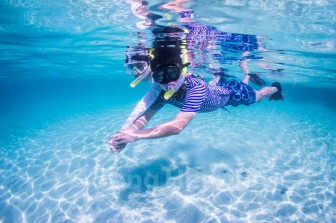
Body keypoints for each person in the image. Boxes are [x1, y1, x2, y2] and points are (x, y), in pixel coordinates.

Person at [109, 47, 283, 152]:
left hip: (232, 93)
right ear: (156, 78)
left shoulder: (195, 88)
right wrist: (125, 135)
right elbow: (145, 117)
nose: (169, 81)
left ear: (182, 72)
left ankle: (275, 87)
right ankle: (245, 75)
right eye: (161, 76)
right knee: (220, 84)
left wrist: (137, 135)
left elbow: (177, 126)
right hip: (216, 90)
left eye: (173, 74)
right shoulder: (163, 92)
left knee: (258, 96)